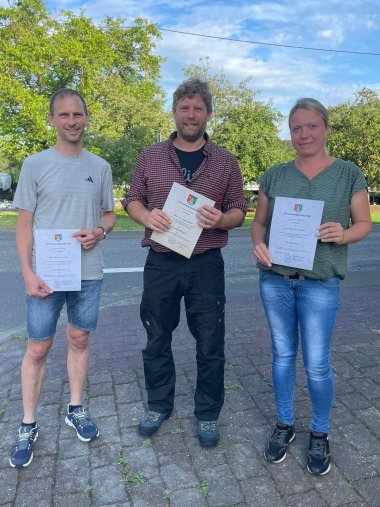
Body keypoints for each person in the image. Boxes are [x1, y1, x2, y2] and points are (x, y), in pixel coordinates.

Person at [251, 98, 372, 475]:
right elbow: (259, 224)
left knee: (317, 364)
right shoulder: (274, 174)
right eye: (296, 128)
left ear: (326, 128)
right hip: (276, 281)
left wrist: (344, 233)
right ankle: (284, 425)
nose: (303, 134)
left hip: (321, 284)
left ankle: (320, 433)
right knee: (282, 355)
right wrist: (257, 244)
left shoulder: (348, 173)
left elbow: (364, 223)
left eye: (311, 126)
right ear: (290, 133)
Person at [124, 78, 246, 447]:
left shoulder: (226, 161)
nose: (190, 115)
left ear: (208, 114)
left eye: (197, 108)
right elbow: (132, 200)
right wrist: (146, 217)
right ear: (175, 112)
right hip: (161, 261)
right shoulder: (150, 156)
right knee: (156, 336)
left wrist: (221, 220)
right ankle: (159, 405)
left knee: (210, 341)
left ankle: (207, 413)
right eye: (184, 107)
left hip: (205, 263)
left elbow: (240, 209)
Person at [10, 88, 115, 468]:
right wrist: (26, 272)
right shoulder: (35, 165)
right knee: (38, 347)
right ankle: (27, 424)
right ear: (52, 119)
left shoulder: (100, 166)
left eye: (78, 114)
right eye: (64, 115)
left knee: (79, 337)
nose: (72, 121)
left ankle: (75, 408)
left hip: (87, 273)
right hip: (45, 276)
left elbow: (109, 216)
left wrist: (100, 232)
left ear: (86, 118)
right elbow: (23, 225)